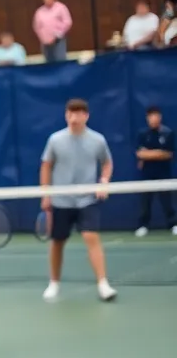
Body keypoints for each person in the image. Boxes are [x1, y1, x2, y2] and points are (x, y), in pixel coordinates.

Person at [40, 98, 116, 302]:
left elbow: (107, 163)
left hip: (86, 199)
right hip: (61, 200)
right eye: (70, 114)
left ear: (86, 116)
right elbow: (46, 165)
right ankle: (54, 283)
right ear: (66, 115)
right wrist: (46, 194)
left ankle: (103, 284)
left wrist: (104, 181)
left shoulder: (98, 140)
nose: (73, 118)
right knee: (57, 242)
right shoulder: (55, 140)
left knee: (91, 237)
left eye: (78, 114)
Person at [134, 105, 175, 236]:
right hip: (147, 173)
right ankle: (143, 226)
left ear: (160, 117)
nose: (154, 119)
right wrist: (158, 153)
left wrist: (150, 153)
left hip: (163, 173)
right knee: (145, 202)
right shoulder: (142, 134)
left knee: (167, 201)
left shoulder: (168, 133)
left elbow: (169, 154)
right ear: (147, 118)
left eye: (156, 116)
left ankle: (173, 224)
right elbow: (140, 154)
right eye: (151, 116)